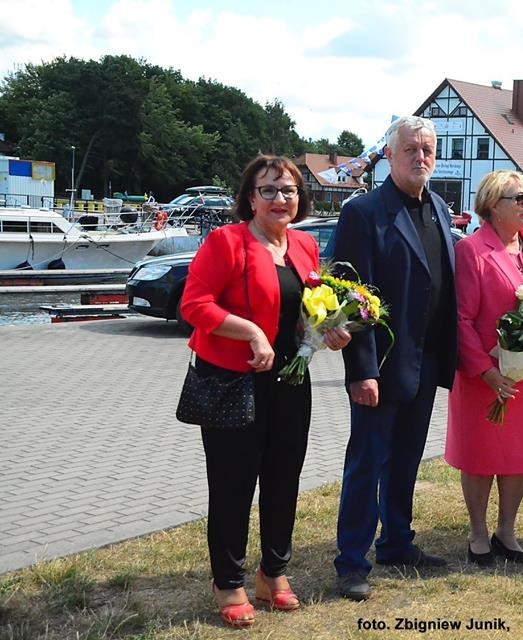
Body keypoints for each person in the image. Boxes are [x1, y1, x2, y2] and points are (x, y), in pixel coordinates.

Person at [180, 155, 350, 628]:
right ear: (250, 198)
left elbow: (303, 312)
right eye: (268, 190)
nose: (280, 198)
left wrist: (328, 331)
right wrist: (251, 332)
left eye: (289, 190)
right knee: (233, 484)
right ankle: (227, 581)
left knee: (283, 477)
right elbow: (194, 304)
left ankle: (272, 572)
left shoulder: (305, 245)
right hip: (233, 381)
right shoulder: (226, 241)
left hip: (290, 380)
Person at [332, 116, 458, 601]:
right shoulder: (364, 212)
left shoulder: (439, 208)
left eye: (427, 149)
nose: (420, 156)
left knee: (406, 460)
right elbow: (351, 297)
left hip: (425, 362)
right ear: (389, 154)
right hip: (381, 368)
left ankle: (397, 543)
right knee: (367, 464)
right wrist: (360, 371)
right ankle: (351, 561)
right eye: (410, 148)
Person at [444, 170, 523, 566]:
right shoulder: (472, 250)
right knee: (481, 455)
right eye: (519, 198)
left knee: (518, 455)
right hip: (485, 376)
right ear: (493, 205)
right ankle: (478, 532)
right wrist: (487, 371)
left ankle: (506, 530)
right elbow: (460, 319)